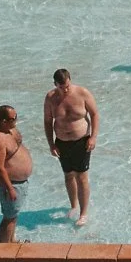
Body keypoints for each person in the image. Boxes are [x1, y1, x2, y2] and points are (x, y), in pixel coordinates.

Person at [43, 69, 100, 227]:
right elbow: (48, 122)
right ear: (55, 85)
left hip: (81, 141)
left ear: (70, 80)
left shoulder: (82, 93)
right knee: (68, 175)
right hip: (62, 141)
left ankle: (83, 213)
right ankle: (74, 206)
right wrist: (51, 144)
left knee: (81, 176)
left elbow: (95, 114)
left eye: (67, 85)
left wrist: (93, 137)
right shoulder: (50, 98)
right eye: (62, 87)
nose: (66, 89)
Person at [0, 105, 32, 243]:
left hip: (18, 183)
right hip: (10, 184)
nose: (16, 121)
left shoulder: (10, 130)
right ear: (3, 121)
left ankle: (11, 242)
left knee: (13, 215)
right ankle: (4, 253)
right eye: (13, 118)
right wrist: (9, 188)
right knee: (9, 218)